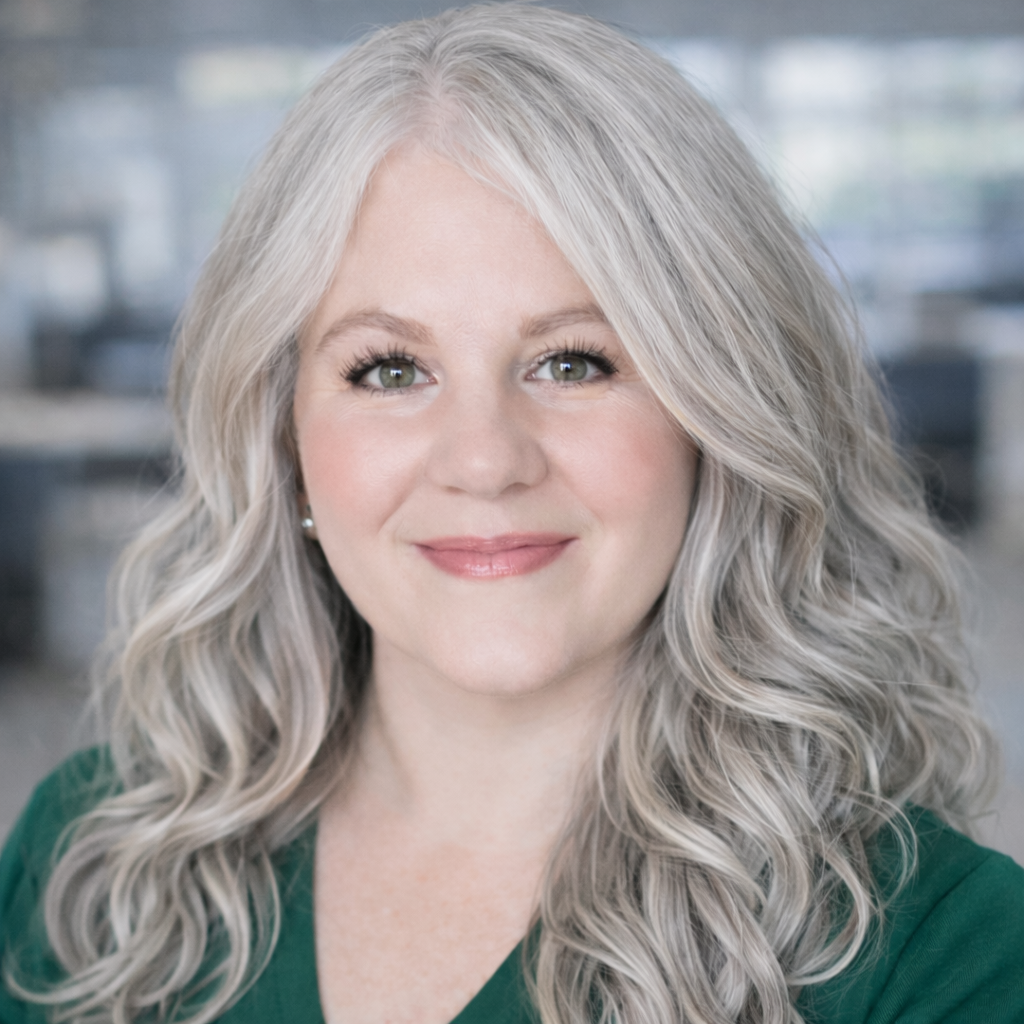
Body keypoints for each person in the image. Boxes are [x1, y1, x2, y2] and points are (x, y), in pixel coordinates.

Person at [2, 5, 1022, 1023]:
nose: (484, 458)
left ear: (714, 415)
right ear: (286, 442)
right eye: (389, 368)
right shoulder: (94, 867)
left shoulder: (942, 956)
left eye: (573, 361)